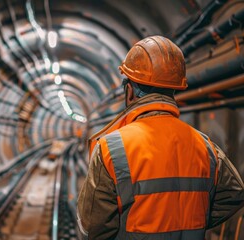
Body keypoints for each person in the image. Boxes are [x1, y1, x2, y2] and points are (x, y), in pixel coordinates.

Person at [77, 36, 244, 240]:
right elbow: (234, 193)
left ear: (129, 91)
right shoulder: (206, 146)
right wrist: (195, 220)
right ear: (174, 90)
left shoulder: (111, 147)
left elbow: (93, 227)